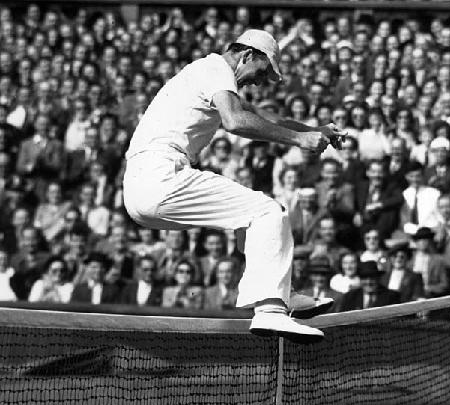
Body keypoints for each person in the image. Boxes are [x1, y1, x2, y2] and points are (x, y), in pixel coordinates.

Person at [122, 29, 343, 343]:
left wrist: (313, 129)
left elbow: (265, 117)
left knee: (249, 220)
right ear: (247, 55)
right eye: (263, 71)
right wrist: (299, 140)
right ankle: (269, 311)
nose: (260, 80)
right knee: (268, 212)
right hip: (160, 175)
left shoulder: (210, 77)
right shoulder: (214, 69)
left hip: (139, 189)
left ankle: (279, 292)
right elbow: (236, 121)